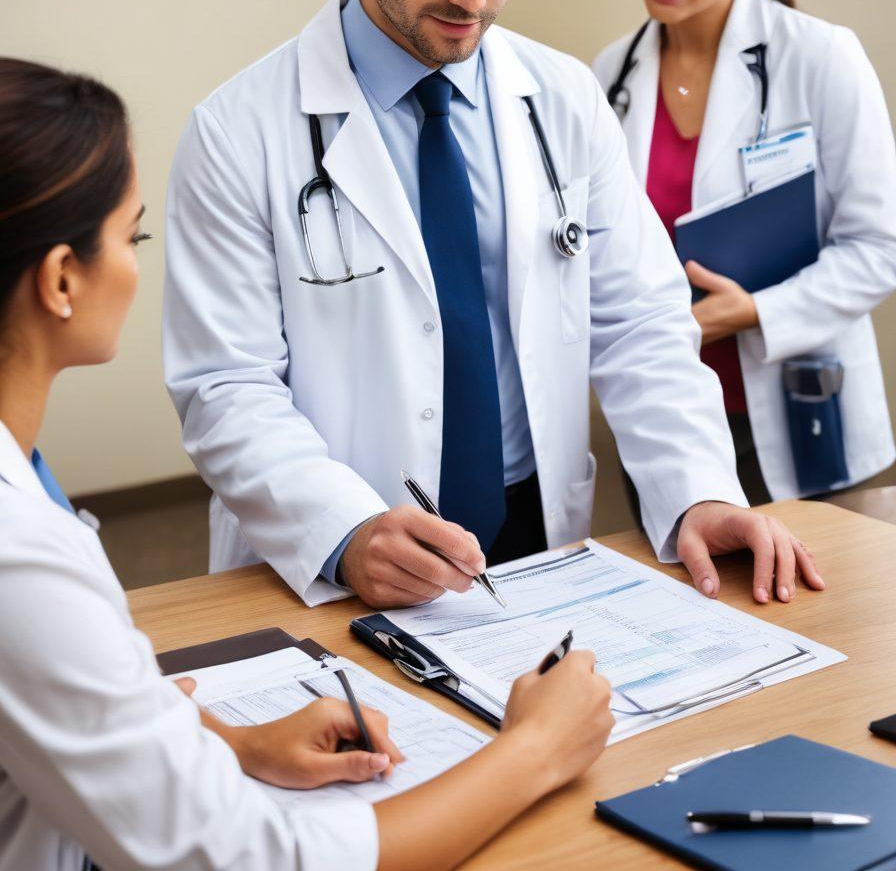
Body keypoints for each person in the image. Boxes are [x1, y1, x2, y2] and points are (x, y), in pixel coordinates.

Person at [164, 0, 824, 611]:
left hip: (535, 529)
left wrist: (700, 490)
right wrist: (343, 529)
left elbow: (641, 325)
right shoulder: (236, 130)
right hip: (340, 552)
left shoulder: (564, 97)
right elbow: (226, 384)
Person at [0, 56, 615, 871]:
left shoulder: (24, 494)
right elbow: (262, 860)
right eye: (132, 236)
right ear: (60, 280)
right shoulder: (21, 561)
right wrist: (535, 750)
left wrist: (232, 745)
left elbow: (56, 708)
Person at [592, 0, 896, 503]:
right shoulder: (610, 75)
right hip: (665, 417)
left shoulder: (819, 58)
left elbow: (878, 247)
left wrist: (751, 311)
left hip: (795, 411)